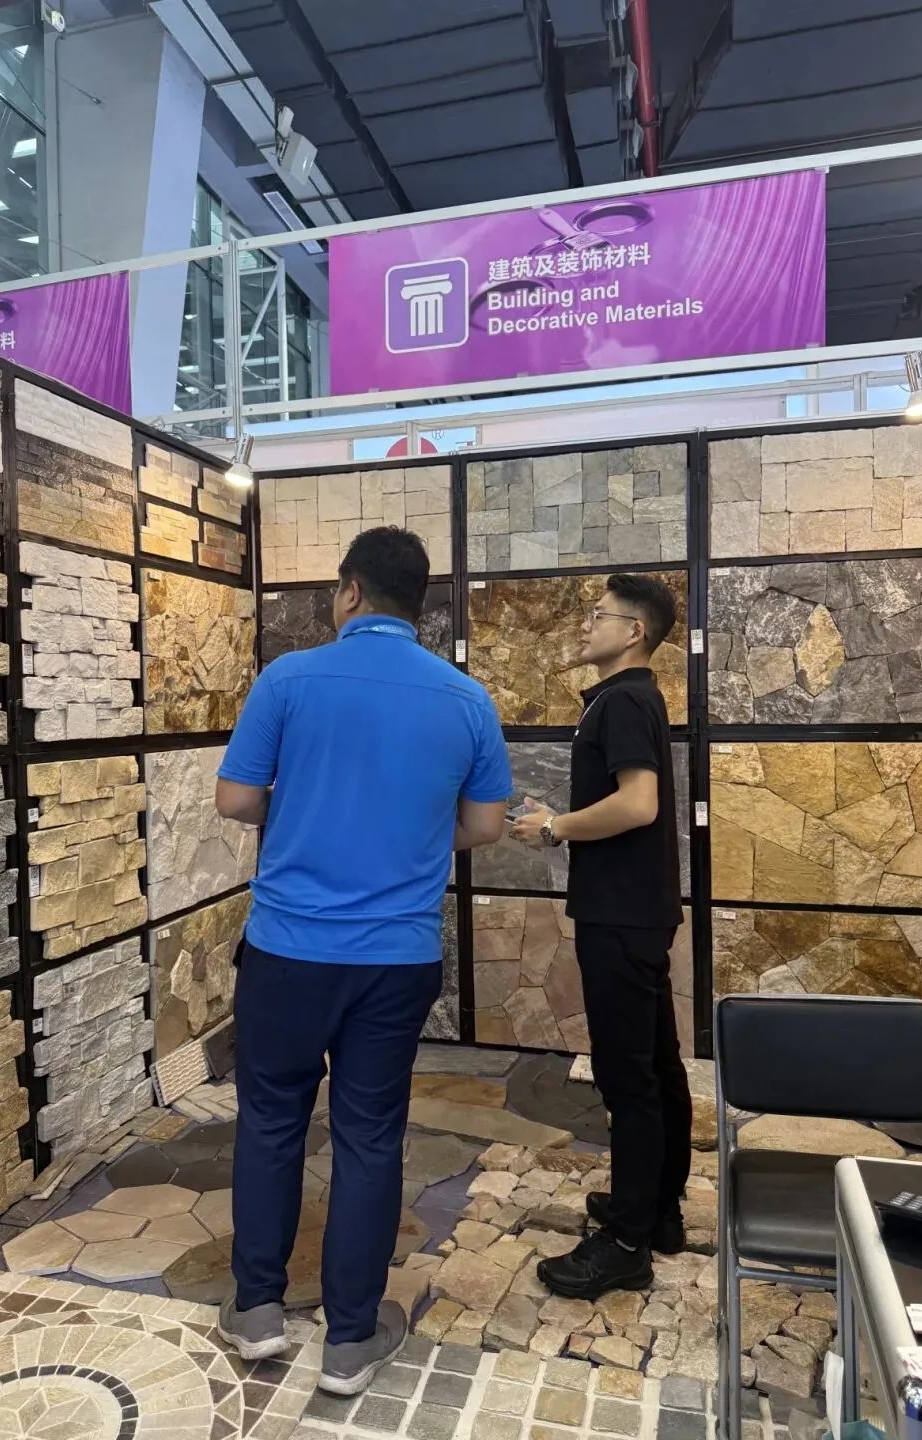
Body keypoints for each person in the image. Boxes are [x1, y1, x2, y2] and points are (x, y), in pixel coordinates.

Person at [214, 526, 512, 1393]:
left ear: (349, 592)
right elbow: (487, 826)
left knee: (270, 1122)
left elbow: (235, 799)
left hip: (285, 952)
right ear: (419, 606)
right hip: (396, 959)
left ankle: (257, 1310)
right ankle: (350, 1339)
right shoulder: (466, 699)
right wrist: (409, 830)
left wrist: (300, 805)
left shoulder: (288, 679)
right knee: (371, 1135)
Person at [511, 572, 691, 1301]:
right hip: (636, 910)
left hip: (621, 915)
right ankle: (654, 1213)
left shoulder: (623, 700)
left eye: (599, 615)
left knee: (627, 1077)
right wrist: (560, 819)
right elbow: (628, 803)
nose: (586, 625)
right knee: (656, 1066)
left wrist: (553, 827)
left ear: (634, 632)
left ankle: (624, 1247)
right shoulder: (634, 698)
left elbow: (638, 805)